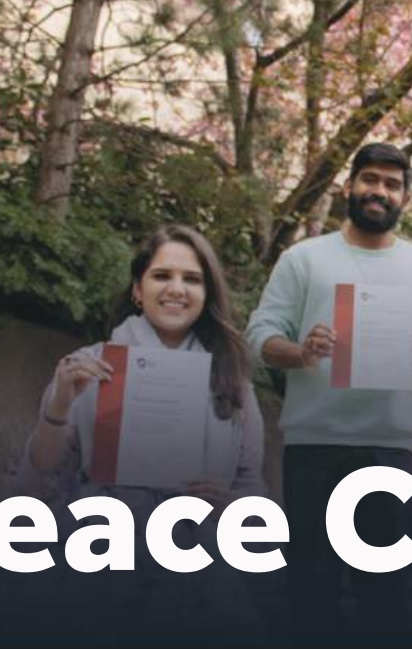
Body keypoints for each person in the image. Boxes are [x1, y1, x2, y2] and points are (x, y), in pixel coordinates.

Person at [245, 142, 412, 641]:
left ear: (405, 197)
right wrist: (301, 351)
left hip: (389, 449)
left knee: (385, 594)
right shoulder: (303, 259)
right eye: (370, 179)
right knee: (310, 589)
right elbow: (261, 336)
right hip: (312, 445)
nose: (378, 191)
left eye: (391, 184)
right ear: (350, 186)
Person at [20, 223, 267, 639]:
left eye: (192, 279)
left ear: (206, 296)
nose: (177, 288)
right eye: (161, 275)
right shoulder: (88, 367)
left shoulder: (233, 384)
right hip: (101, 565)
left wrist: (226, 505)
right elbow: (35, 478)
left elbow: (254, 498)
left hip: (199, 575)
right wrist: (60, 404)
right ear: (138, 289)